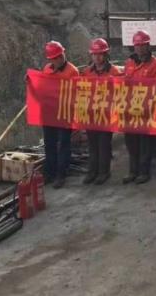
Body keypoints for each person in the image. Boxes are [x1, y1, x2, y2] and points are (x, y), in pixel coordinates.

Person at [123, 30, 156, 184]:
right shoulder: (129, 63)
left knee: (145, 143)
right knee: (131, 142)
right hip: (130, 109)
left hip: (147, 110)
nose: (140, 48)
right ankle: (132, 171)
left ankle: (144, 172)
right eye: (137, 45)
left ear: (148, 45)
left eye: (143, 45)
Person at [81, 38, 122, 186]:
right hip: (91, 114)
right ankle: (92, 171)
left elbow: (120, 93)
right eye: (94, 54)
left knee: (104, 144)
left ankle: (104, 172)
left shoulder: (114, 72)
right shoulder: (87, 72)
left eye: (100, 54)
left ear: (105, 54)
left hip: (106, 114)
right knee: (92, 144)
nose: (97, 57)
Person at [42, 40, 79, 189]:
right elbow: (42, 86)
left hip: (64, 112)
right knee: (49, 143)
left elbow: (75, 93)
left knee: (64, 143)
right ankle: (50, 172)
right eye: (55, 57)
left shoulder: (72, 71)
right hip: (50, 112)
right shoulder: (47, 69)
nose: (59, 59)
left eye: (60, 55)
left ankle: (61, 174)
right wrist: (31, 81)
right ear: (50, 59)